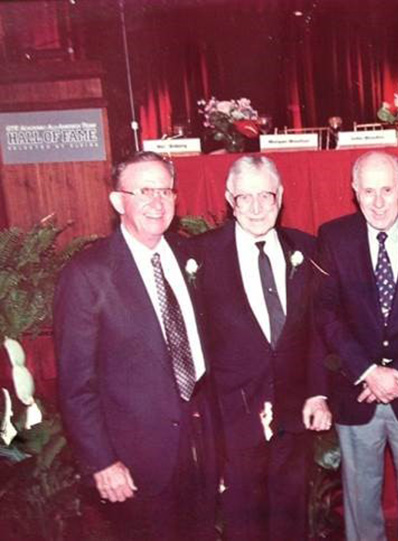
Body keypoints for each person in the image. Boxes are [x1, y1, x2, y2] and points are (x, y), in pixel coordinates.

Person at [55, 151, 217, 540]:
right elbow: (76, 384)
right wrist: (102, 461)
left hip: (200, 448)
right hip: (135, 459)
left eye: (165, 191)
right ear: (117, 201)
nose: (157, 202)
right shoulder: (88, 274)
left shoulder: (190, 254)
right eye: (145, 191)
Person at [314, 151, 398, 541]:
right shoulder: (333, 236)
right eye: (368, 191)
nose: (377, 201)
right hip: (356, 393)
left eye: (387, 189)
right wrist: (370, 372)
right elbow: (325, 314)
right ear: (354, 192)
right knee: (360, 506)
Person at [193, 156, 331, 540]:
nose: (256, 208)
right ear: (228, 199)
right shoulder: (199, 255)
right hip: (233, 419)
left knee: (291, 522)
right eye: (244, 198)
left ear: (281, 196)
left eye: (265, 196)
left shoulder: (306, 249)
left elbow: (317, 331)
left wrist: (318, 392)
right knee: (243, 525)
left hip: (292, 416)